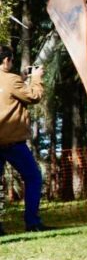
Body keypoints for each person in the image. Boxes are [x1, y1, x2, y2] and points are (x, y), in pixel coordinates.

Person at [0, 45, 49, 234]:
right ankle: (32, 222)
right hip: (11, 142)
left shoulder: (12, 80)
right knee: (33, 177)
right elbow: (34, 96)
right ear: (6, 60)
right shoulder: (11, 79)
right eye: (11, 60)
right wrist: (36, 79)